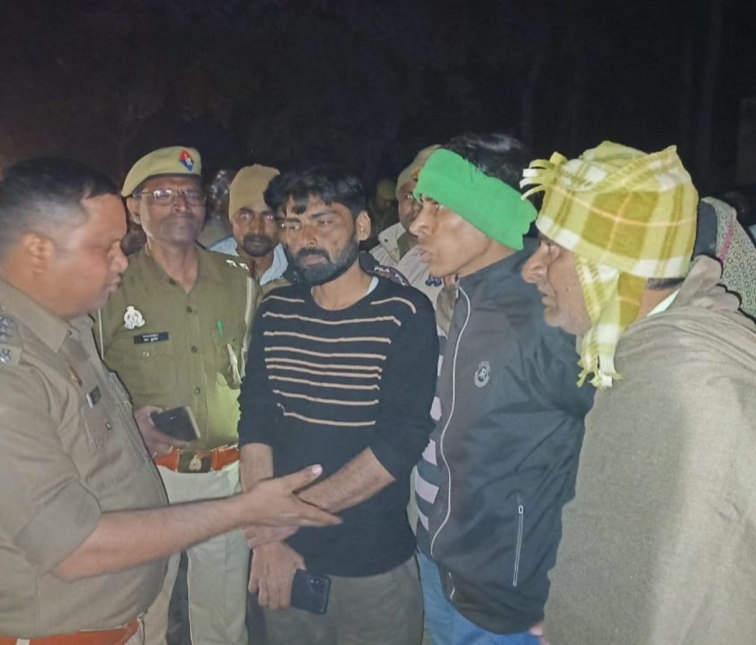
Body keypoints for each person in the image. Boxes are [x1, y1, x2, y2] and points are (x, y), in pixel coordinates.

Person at [0, 157, 338, 645]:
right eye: (105, 247)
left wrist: (133, 431)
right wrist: (245, 509)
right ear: (38, 252)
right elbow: (75, 548)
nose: (122, 260)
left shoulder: (61, 329)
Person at [520, 142, 756, 645]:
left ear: (613, 265)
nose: (531, 268)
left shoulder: (690, 391)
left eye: (553, 249)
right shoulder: (640, 354)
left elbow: (698, 607)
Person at [238, 165, 439, 645]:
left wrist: (281, 519)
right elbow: (256, 421)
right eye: (291, 224)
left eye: (323, 221)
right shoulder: (275, 311)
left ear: (362, 226)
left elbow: (400, 443)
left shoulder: (405, 313)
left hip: (370, 563)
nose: (304, 238)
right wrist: (270, 537)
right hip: (280, 558)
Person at [408, 135, 594, 645]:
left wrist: (578, 596)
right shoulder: (466, 298)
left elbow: (610, 455)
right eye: (421, 205)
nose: (417, 223)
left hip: (510, 601)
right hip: (444, 565)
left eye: (438, 206)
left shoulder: (544, 314)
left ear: (488, 209)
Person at [95, 146, 260, 645]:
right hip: (148, 480)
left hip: (225, 475)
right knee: (143, 610)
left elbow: (253, 374)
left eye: (191, 194)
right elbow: (89, 381)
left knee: (223, 617)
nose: (181, 205)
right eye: (163, 194)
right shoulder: (111, 285)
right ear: (134, 208)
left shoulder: (238, 280)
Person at [370, 146, 441, 304]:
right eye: (409, 196)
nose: (416, 206)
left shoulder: (455, 264)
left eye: (427, 198)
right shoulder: (376, 256)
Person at [210, 164, 289, 290]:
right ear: (231, 219)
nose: (257, 228)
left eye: (269, 217)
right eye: (245, 216)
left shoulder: (295, 268)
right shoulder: (208, 268)